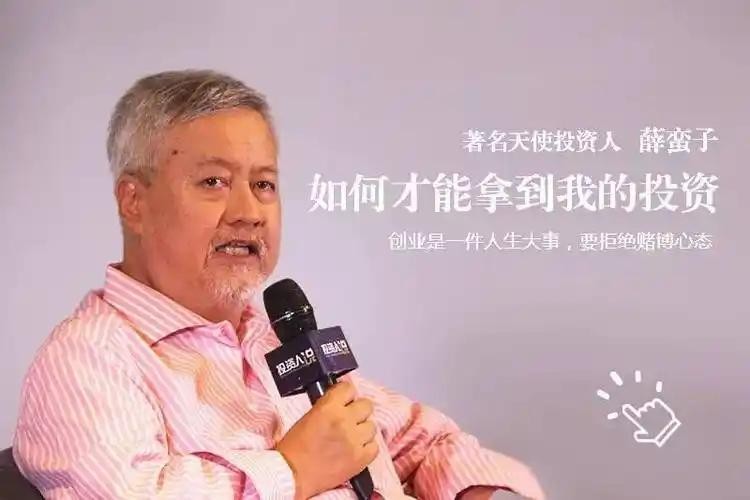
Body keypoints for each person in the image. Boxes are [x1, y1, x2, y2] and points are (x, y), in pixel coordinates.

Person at [12, 69, 545, 500]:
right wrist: (292, 469)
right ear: (135, 202)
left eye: (263, 184)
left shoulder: (273, 339)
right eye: (214, 182)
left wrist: (478, 489)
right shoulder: (88, 361)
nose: (249, 212)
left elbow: (424, 440)